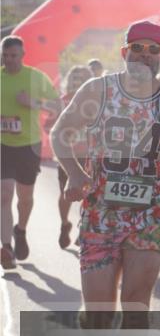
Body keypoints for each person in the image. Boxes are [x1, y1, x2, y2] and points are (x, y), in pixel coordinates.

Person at [51, 21, 160, 328]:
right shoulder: (98, 90)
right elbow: (60, 133)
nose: (145, 54)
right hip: (101, 213)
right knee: (99, 316)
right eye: (137, 48)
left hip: (150, 214)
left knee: (136, 307)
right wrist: (75, 174)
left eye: (153, 49)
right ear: (124, 52)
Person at [1, 36, 62, 269]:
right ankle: (6, 248)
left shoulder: (36, 77)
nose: (9, 60)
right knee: (4, 194)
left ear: (23, 55)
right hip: (3, 145)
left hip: (28, 146)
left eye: (13, 55)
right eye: (5, 56)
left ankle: (21, 230)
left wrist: (32, 103)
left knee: (25, 198)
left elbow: (57, 106)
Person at [56, 66, 93, 250]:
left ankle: (83, 228)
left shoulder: (95, 101)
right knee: (66, 194)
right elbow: (52, 128)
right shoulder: (63, 101)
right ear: (70, 81)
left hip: (88, 155)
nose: (79, 82)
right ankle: (65, 224)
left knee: (88, 194)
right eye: (76, 78)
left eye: (83, 78)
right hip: (67, 156)